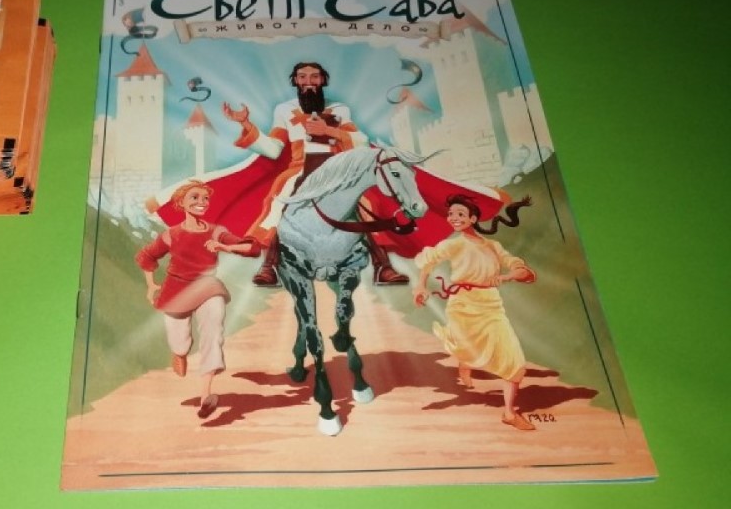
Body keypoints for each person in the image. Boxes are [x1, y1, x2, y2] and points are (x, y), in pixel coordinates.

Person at [221, 61, 408, 286]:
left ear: (323, 80)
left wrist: (328, 131)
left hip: (336, 169)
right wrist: (246, 124)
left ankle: (383, 266)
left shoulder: (339, 109)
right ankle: (269, 266)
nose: (308, 81)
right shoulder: (284, 110)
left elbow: (361, 144)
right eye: (302, 77)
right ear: (295, 81)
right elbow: (273, 149)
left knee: (365, 203)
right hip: (300, 169)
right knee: (281, 200)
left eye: (314, 76)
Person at [135, 180, 261, 418]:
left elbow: (251, 248)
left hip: (207, 287)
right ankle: (179, 353)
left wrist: (224, 247)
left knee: (213, 331)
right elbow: (146, 256)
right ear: (181, 203)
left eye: (205, 198)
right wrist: (150, 286)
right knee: (179, 342)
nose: (202, 202)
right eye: (195, 197)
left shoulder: (216, 231)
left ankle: (206, 395)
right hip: (176, 292)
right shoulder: (171, 235)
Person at [412, 194, 538, 431]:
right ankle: (465, 363)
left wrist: (507, 276)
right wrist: (420, 286)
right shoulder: (454, 243)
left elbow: (525, 272)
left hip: (491, 305)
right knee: (466, 345)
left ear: (473, 218)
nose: (454, 218)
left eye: (460, 214)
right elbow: (428, 261)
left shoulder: (493, 246)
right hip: (462, 305)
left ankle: (509, 413)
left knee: (515, 361)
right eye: (451, 214)